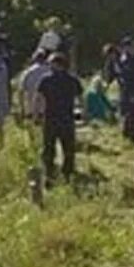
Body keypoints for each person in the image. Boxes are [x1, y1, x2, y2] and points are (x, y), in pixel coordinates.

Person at [38, 52, 82, 185]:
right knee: (68, 147)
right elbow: (80, 98)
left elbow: (38, 98)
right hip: (67, 118)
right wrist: (83, 113)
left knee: (49, 147)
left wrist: (35, 114)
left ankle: (49, 175)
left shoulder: (46, 79)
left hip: (50, 118)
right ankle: (68, 174)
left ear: (56, 64)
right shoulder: (72, 80)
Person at [115, 36, 134, 143]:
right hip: (130, 92)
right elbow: (127, 79)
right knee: (131, 114)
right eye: (131, 46)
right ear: (126, 47)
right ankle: (131, 136)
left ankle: (132, 134)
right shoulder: (125, 61)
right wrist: (132, 94)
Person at [18, 50, 51, 123]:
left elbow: (21, 90)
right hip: (47, 109)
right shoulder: (50, 71)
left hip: (31, 108)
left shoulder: (27, 72)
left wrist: (22, 108)